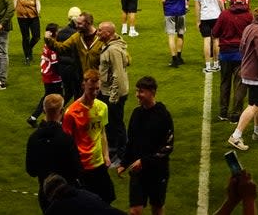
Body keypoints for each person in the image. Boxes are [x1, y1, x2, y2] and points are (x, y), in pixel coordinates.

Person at [118, 76, 175, 215]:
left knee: (157, 208)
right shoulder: (136, 113)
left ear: (152, 92)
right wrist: (124, 163)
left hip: (157, 171)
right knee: (135, 211)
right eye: (137, 91)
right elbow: (131, 141)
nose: (137, 94)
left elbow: (167, 147)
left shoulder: (163, 115)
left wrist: (144, 161)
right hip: (138, 173)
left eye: (141, 91)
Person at [63, 69, 115, 204]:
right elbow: (68, 143)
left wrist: (106, 155)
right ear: (83, 85)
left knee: (106, 201)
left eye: (97, 89)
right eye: (91, 88)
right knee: (87, 206)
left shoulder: (102, 107)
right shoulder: (71, 113)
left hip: (99, 164)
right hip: (82, 167)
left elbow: (102, 132)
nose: (94, 92)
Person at [27, 93, 85, 213]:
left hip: (45, 193)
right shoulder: (66, 139)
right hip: (66, 193)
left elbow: (31, 170)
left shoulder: (34, 138)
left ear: (43, 110)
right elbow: (77, 170)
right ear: (62, 111)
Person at [227, 6, 258, 150]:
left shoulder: (248, 28)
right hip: (255, 73)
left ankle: (257, 131)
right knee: (254, 105)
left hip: (247, 69)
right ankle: (236, 136)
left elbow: (242, 47)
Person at [97, 22, 130, 164]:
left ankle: (123, 155)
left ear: (108, 33)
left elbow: (118, 75)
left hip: (113, 93)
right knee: (110, 124)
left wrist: (113, 97)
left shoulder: (113, 50)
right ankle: (113, 150)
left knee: (117, 124)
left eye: (100, 30)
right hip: (107, 91)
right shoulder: (109, 45)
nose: (97, 33)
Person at [195, 0, 226, 73]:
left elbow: (197, 5)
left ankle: (208, 65)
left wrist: (198, 20)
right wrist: (223, 12)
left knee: (206, 40)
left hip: (205, 16)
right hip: (216, 15)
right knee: (216, 39)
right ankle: (216, 63)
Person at [157, 0, 188, 67]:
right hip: (181, 10)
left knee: (171, 35)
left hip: (169, 11)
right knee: (180, 33)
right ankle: (179, 56)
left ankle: (174, 59)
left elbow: (163, 0)